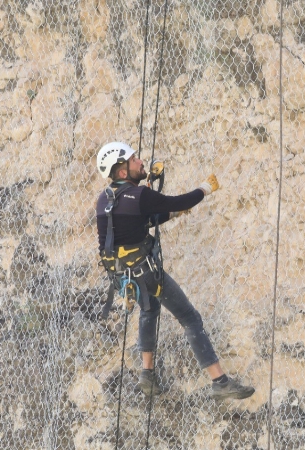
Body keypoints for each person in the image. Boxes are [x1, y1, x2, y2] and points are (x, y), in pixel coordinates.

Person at [95, 141, 255, 401]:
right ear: (122, 172)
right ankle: (220, 381)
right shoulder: (140, 196)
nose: (140, 162)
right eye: (134, 160)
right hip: (145, 272)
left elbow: (139, 221)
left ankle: (147, 375)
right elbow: (179, 200)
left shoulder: (105, 199)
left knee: (150, 309)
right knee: (190, 318)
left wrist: (174, 213)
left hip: (124, 276)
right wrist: (205, 189)